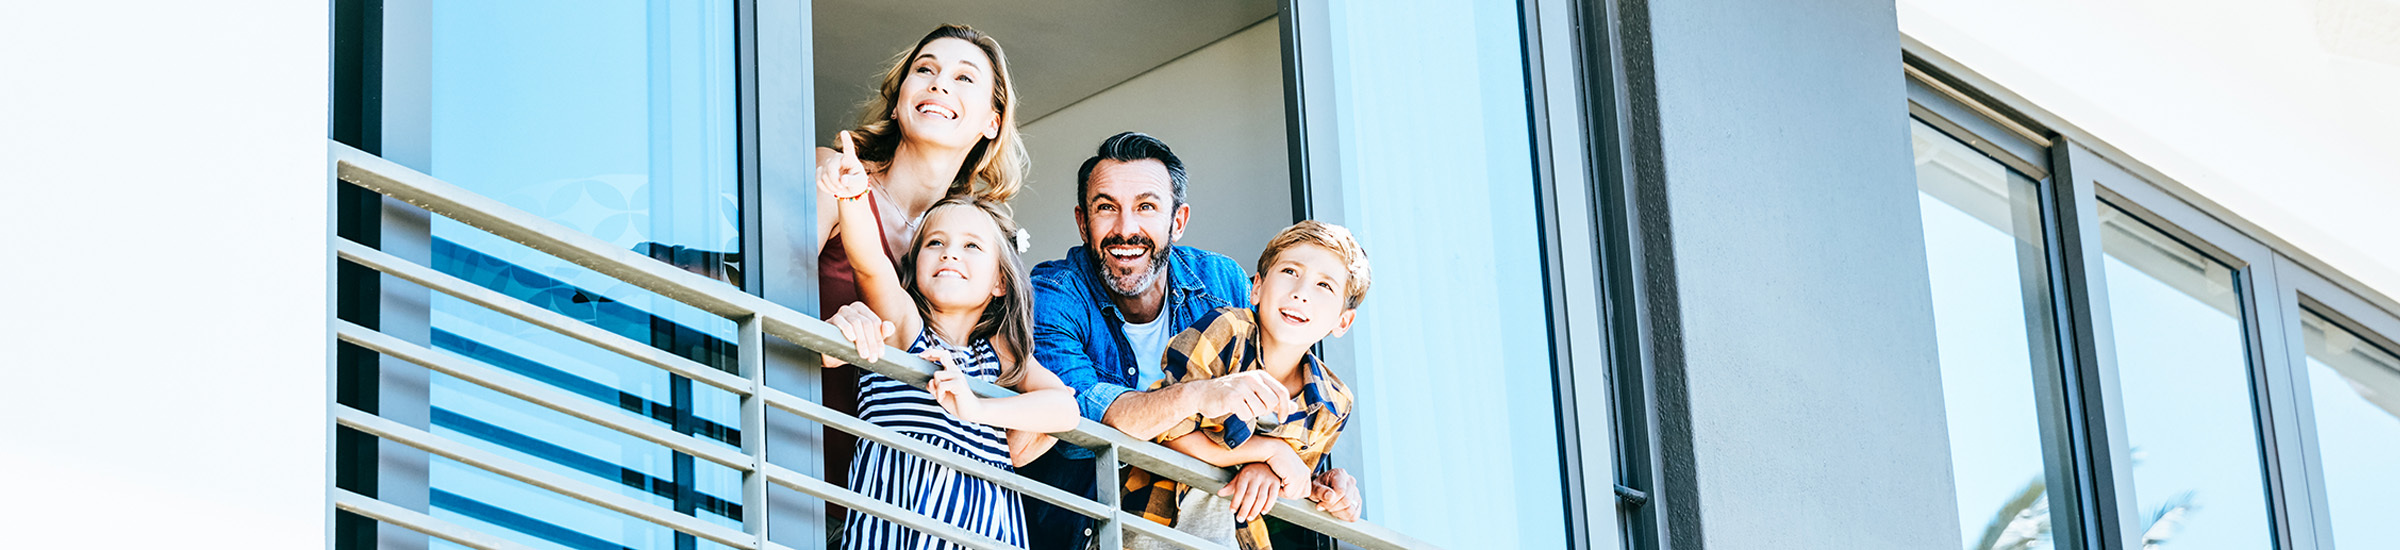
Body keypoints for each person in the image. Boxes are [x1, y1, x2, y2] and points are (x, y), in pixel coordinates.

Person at [1020, 132, 1301, 549]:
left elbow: (1285, 388)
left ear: (1178, 221)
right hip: (1097, 531)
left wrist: (1282, 462)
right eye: (1106, 208)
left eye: (1146, 207)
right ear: (1083, 222)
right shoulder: (1054, 294)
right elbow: (1076, 430)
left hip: (1216, 530)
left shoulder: (1219, 281)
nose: (1125, 228)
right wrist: (1198, 398)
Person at [813, 23, 1029, 530]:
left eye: (963, 78)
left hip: (901, 504)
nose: (939, 84)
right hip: (790, 444)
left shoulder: (975, 245)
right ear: (898, 100)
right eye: (925, 70)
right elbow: (763, 293)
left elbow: (1012, 382)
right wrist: (825, 325)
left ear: (992, 122)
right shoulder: (836, 176)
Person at [818, 150, 1079, 548]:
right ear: (915, 265)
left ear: (1000, 282)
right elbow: (869, 262)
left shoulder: (997, 357)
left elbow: (1065, 408)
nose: (950, 252)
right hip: (897, 534)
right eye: (935, 242)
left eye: (972, 246)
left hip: (984, 533)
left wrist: (980, 409)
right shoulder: (904, 328)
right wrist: (853, 198)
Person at [1124, 220, 1371, 550]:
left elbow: (1292, 476)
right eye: (1290, 272)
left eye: (1324, 286)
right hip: (1151, 527)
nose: (1301, 293)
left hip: (1235, 538)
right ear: (1256, 288)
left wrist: (1323, 488)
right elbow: (1167, 432)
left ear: (1343, 321)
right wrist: (1268, 451)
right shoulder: (1227, 329)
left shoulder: (1333, 402)